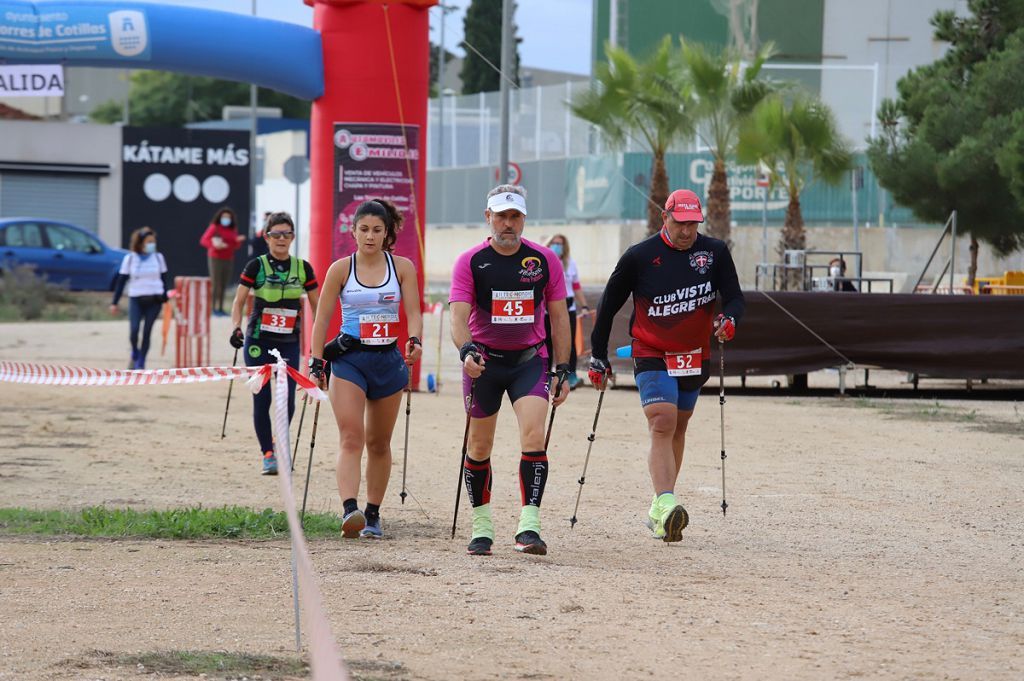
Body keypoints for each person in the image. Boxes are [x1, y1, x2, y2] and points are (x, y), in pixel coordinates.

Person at [589, 188, 744, 543]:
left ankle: (660, 510)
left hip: (693, 352)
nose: (687, 231)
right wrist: (598, 355)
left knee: (679, 428)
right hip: (651, 349)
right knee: (662, 421)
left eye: (693, 224)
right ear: (665, 218)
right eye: (680, 222)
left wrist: (730, 317)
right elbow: (608, 305)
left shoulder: (715, 252)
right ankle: (668, 501)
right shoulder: (639, 256)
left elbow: (734, 296)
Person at [449, 185, 572, 557]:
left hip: (529, 361)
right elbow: (457, 316)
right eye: (501, 216)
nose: (508, 224)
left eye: (514, 216)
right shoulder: (470, 261)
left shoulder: (545, 259)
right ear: (488, 217)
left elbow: (559, 317)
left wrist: (564, 368)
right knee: (479, 445)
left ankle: (529, 527)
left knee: (534, 436)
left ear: (524, 220)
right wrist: (466, 350)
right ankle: (482, 527)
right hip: (483, 362)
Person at [308, 199, 423, 540]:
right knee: (351, 437)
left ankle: (373, 515)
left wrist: (415, 339)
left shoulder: (401, 267)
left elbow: (414, 313)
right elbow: (322, 318)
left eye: (377, 230)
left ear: (387, 233)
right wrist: (317, 362)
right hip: (350, 361)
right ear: (353, 231)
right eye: (364, 230)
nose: (370, 237)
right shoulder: (341, 269)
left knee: (379, 443)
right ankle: (349, 510)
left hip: (388, 361)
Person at [229, 212, 319, 475]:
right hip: (258, 341)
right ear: (267, 237)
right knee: (263, 399)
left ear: (292, 237)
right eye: (276, 234)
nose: (281, 239)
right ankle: (268, 454)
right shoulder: (255, 266)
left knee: (288, 400)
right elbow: (238, 301)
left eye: (287, 234)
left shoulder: (303, 268)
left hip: (289, 342)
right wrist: (236, 327)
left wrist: (323, 340)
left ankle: (280, 444)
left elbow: (318, 306)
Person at [110, 226, 170, 370]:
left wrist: (165, 297)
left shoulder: (158, 257)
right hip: (136, 298)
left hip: (154, 300)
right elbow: (121, 281)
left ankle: (142, 360)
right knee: (134, 330)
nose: (152, 244)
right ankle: (134, 352)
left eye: (153, 242)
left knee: (147, 331)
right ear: (141, 242)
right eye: (149, 241)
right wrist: (114, 302)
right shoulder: (130, 258)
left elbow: (164, 279)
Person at [544, 233, 591, 389]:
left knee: (568, 342)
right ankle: (546, 375)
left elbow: (576, 286)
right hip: (547, 310)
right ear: (549, 244)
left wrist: (584, 305)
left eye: (561, 243)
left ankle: (571, 374)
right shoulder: (543, 261)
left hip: (568, 307)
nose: (558, 246)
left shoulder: (570, 263)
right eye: (554, 243)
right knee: (547, 343)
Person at [200, 206, 246, 316]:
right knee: (216, 283)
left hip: (228, 258)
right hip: (215, 257)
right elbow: (204, 240)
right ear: (220, 217)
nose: (226, 219)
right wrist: (215, 245)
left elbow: (235, 245)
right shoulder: (214, 227)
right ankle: (212, 308)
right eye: (224, 217)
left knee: (224, 284)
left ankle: (220, 308)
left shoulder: (233, 229)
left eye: (228, 217)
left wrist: (237, 241)